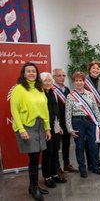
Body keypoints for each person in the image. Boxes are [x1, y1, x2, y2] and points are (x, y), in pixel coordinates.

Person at [10, 62, 51, 200]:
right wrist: (21, 129)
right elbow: (14, 111)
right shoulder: (19, 89)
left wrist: (47, 128)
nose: (32, 73)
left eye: (34, 71)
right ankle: (33, 188)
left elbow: (44, 110)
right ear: (23, 73)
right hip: (27, 127)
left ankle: (34, 186)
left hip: (40, 126)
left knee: (36, 157)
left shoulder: (39, 89)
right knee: (33, 158)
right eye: (28, 71)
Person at [65, 71, 100, 178]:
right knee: (80, 146)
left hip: (90, 122)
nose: (79, 83)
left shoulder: (90, 94)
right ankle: (82, 168)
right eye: (76, 81)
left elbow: (96, 111)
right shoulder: (70, 96)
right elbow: (67, 114)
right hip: (77, 122)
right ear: (74, 82)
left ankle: (95, 166)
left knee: (93, 145)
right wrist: (70, 129)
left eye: (81, 81)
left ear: (84, 82)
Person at [40, 72, 67, 189]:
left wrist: (59, 126)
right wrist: (47, 128)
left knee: (55, 151)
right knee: (47, 152)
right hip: (45, 127)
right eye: (45, 80)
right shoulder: (40, 94)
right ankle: (47, 177)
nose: (48, 83)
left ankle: (55, 174)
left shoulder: (53, 92)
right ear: (40, 82)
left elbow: (56, 111)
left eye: (49, 80)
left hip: (55, 125)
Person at [52, 68, 78, 174]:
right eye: (59, 75)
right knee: (56, 146)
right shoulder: (52, 89)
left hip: (66, 121)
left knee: (66, 144)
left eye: (63, 75)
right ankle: (57, 167)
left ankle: (67, 164)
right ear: (53, 77)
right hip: (56, 122)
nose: (62, 78)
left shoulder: (67, 89)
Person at [85, 60, 100, 168]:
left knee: (98, 137)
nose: (95, 70)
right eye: (93, 68)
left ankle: (96, 160)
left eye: (98, 68)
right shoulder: (84, 81)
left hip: (99, 114)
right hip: (87, 114)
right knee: (89, 139)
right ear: (89, 69)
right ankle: (90, 163)